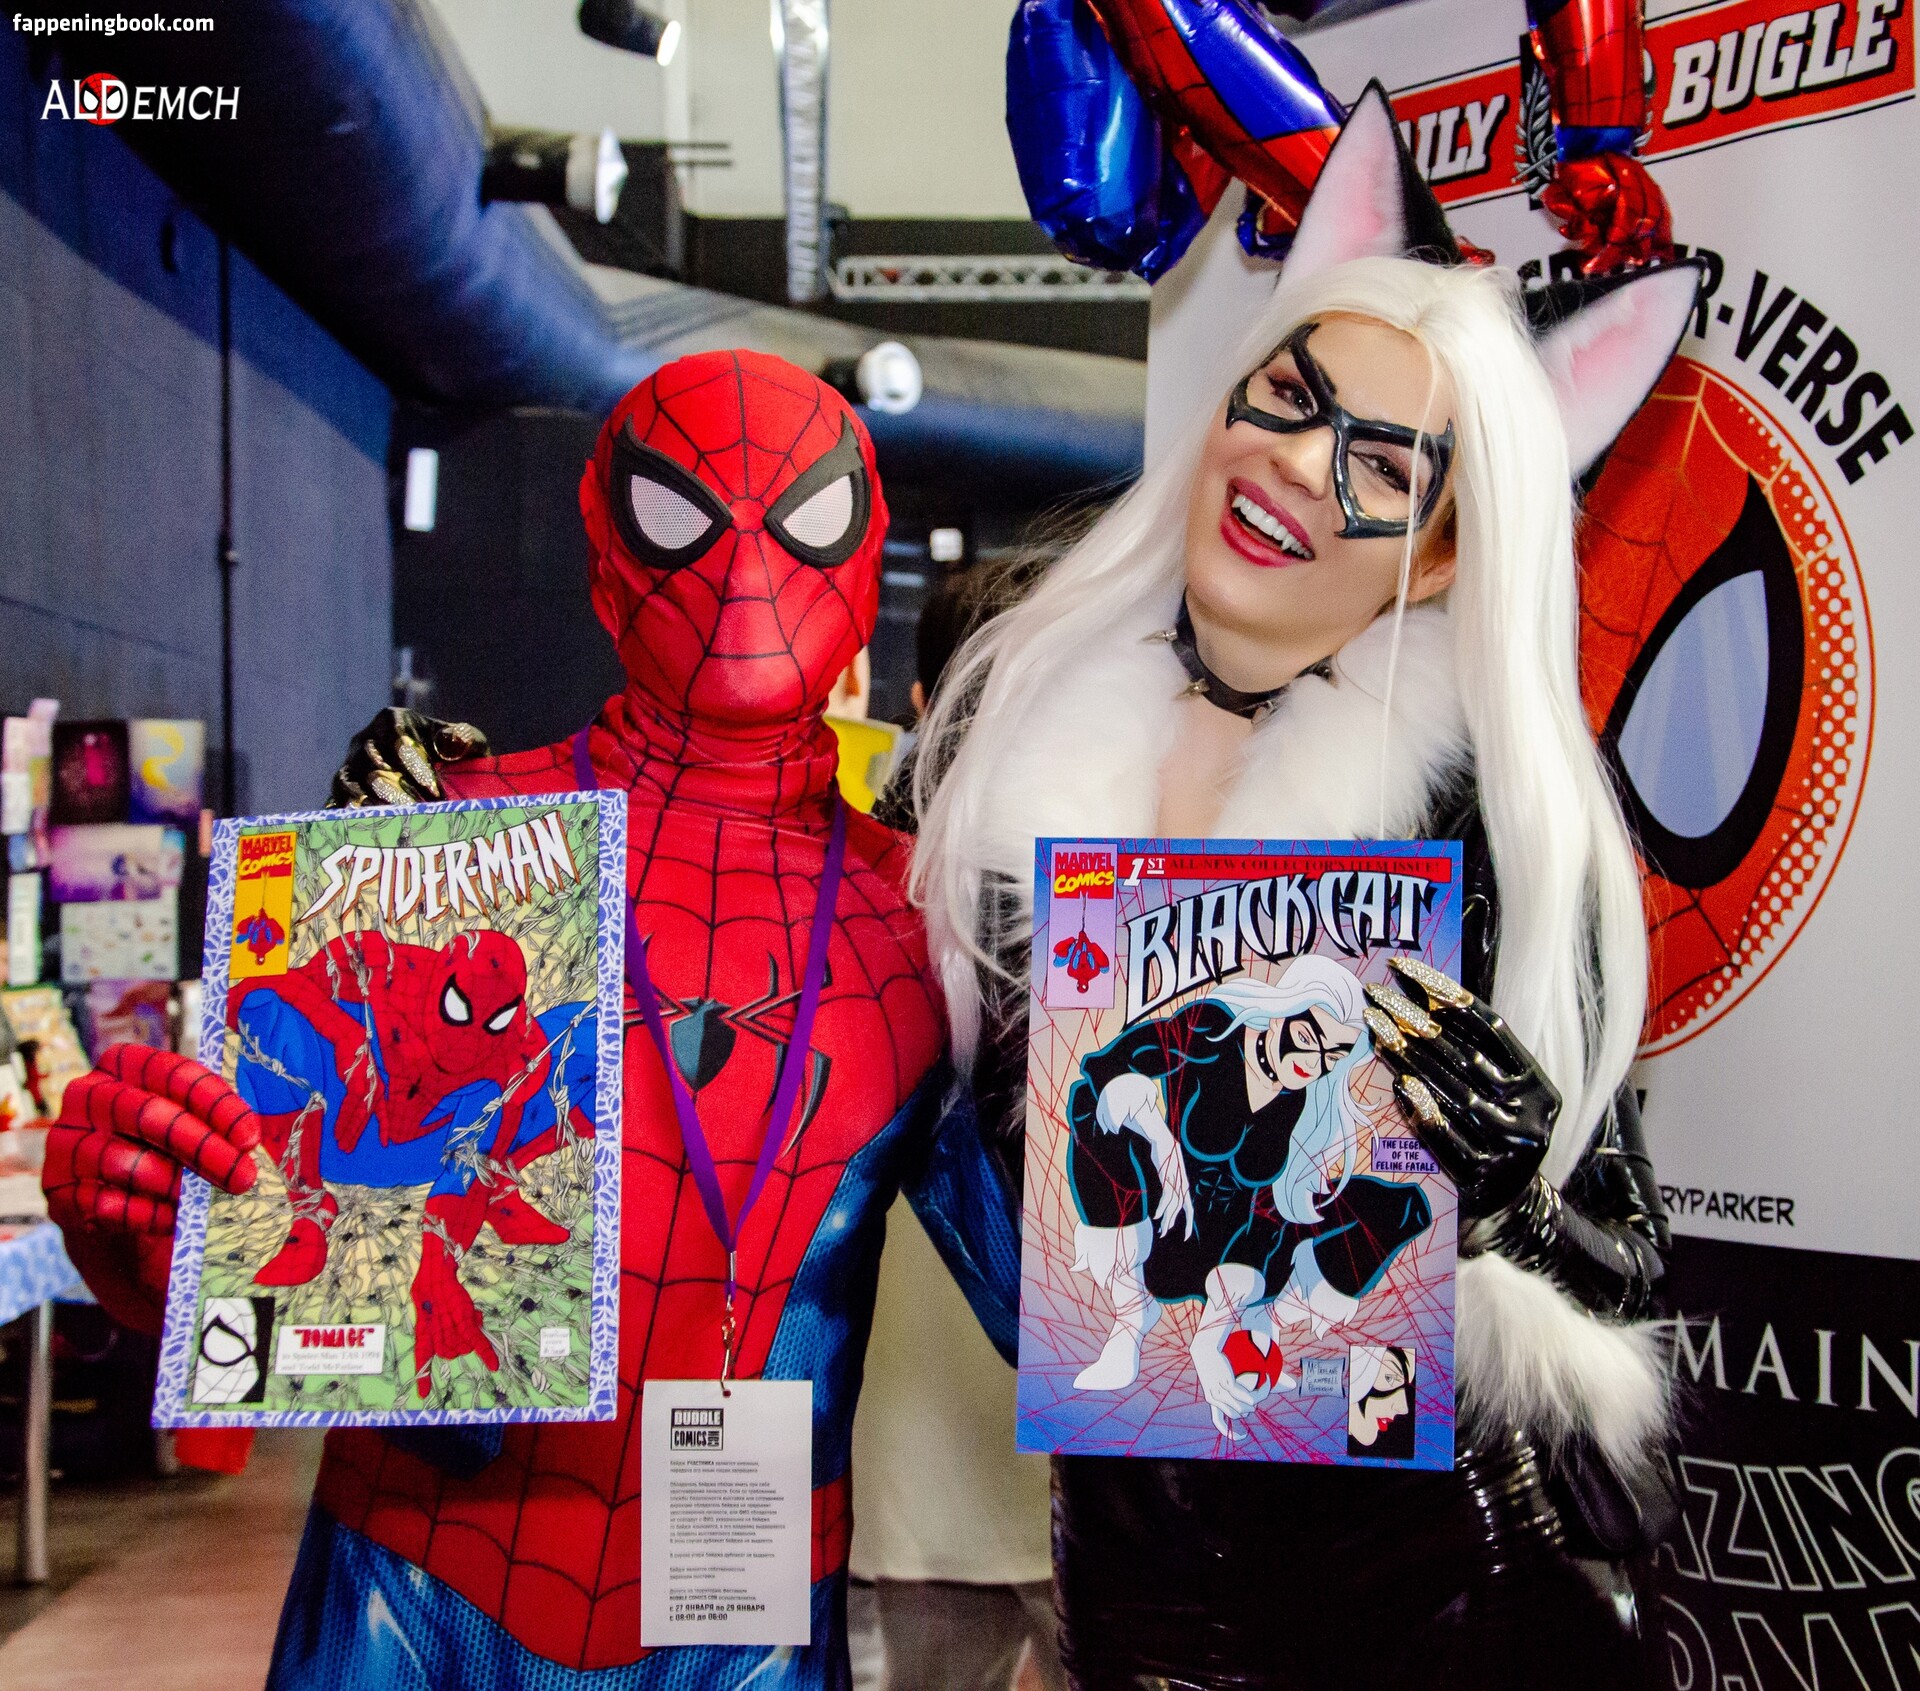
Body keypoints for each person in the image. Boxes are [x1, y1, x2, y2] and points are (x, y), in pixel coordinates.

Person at [42, 350, 1023, 1691]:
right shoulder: (444, 835)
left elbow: (1073, 1318)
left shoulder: (918, 915)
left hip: (737, 1613)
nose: (745, 564)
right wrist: (159, 1222)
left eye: (802, 517)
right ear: (607, 551)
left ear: (863, 557)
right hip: (406, 1571)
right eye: (684, 515)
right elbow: (298, 1264)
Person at [908, 89, 1688, 1688]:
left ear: (1450, 554)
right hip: (1130, 1587)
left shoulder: (1479, 826)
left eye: (1380, 463)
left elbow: (1623, 1261)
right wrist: (442, 835)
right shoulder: (1010, 770)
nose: (1294, 467)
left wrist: (1512, 1192)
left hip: (1434, 1606)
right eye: (1287, 395)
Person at [1065, 960, 1432, 1436]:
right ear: (1280, 1013)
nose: (1314, 1063)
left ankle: (1269, 1327)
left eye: (1334, 1055)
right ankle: (1130, 1318)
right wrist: (1159, 1137)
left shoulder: (1309, 1105)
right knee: (1091, 1110)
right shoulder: (1212, 1030)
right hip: (1155, 1217)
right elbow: (1107, 1067)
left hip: (1231, 1252)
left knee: (1399, 1207)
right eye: (1307, 1037)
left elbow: (1267, 1219)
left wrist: (1209, 1339)